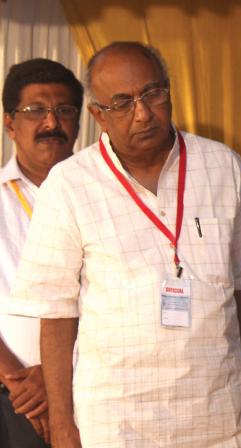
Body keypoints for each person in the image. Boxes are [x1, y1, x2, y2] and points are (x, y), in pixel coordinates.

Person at [6, 42, 241, 447]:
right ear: (98, 116)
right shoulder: (71, 183)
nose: (143, 112)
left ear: (168, 90)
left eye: (152, 94)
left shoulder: (222, 166)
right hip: (116, 422)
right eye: (123, 103)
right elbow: (57, 317)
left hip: (217, 415)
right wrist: (62, 425)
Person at [0, 58, 82, 448]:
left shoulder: (106, 200)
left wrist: (55, 378)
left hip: (89, 389)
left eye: (64, 110)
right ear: (10, 123)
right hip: (12, 398)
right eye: (35, 111)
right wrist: (20, 381)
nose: (51, 123)